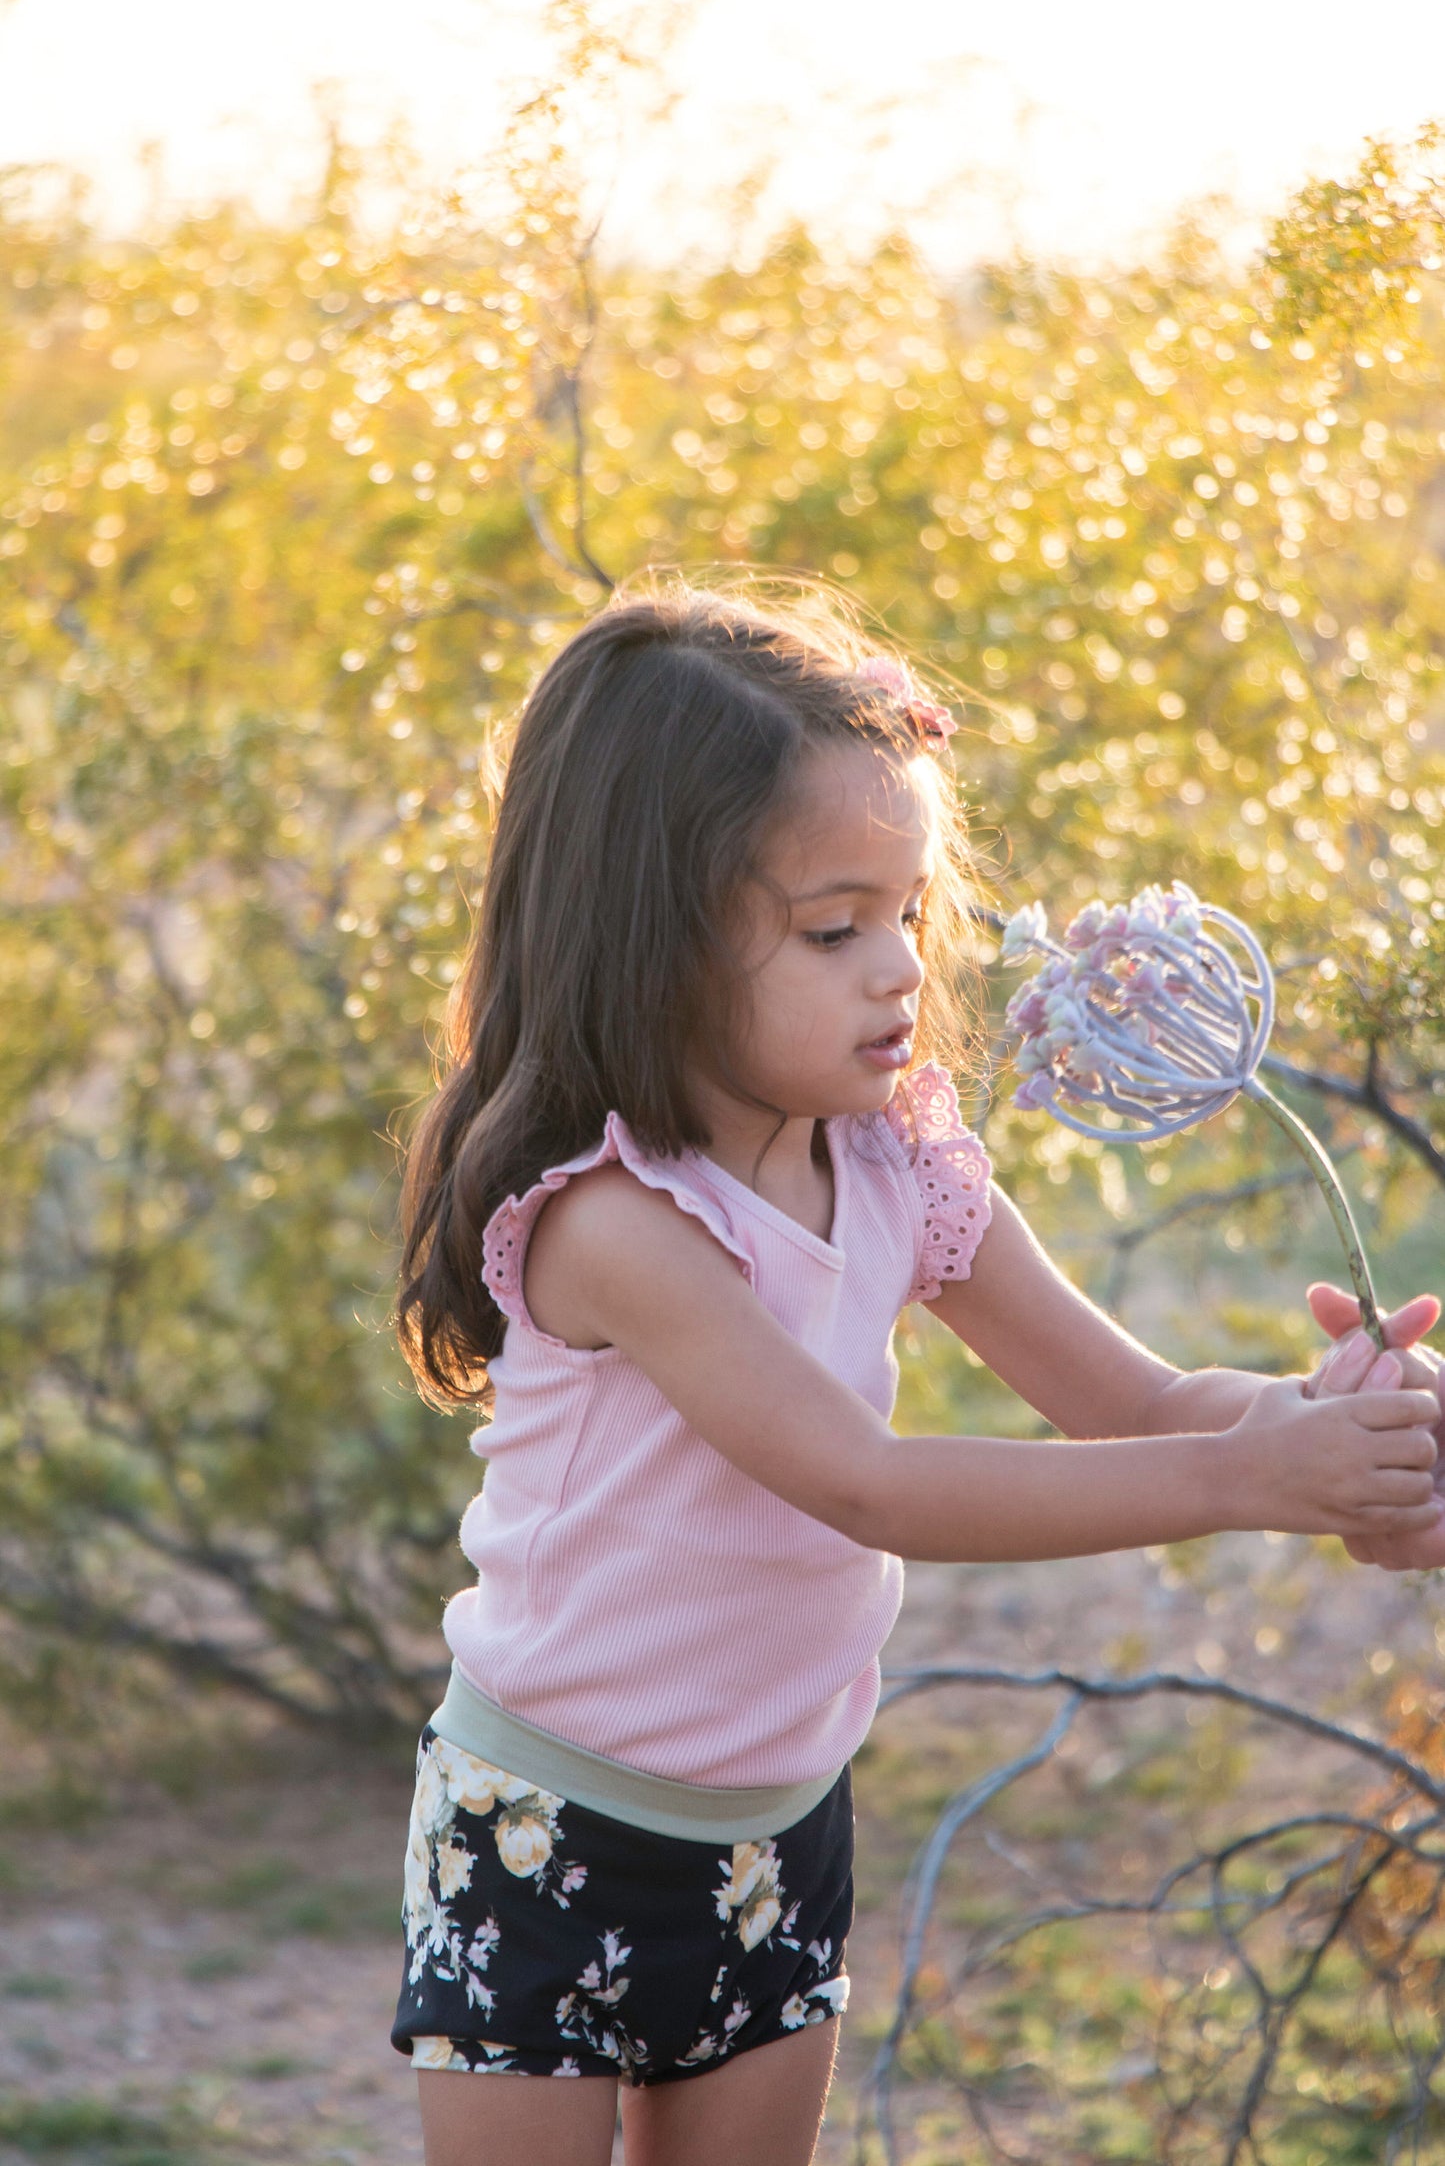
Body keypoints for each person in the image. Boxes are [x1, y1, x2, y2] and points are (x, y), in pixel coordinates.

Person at [389, 576, 1442, 2166]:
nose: (896, 968)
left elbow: (1144, 1407)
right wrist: (1250, 1476)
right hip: (543, 1828)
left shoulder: (898, 1167)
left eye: (908, 913)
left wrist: (1328, 1432)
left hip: (776, 1829)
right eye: (832, 928)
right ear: (648, 937)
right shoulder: (612, 1222)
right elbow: (867, 1483)